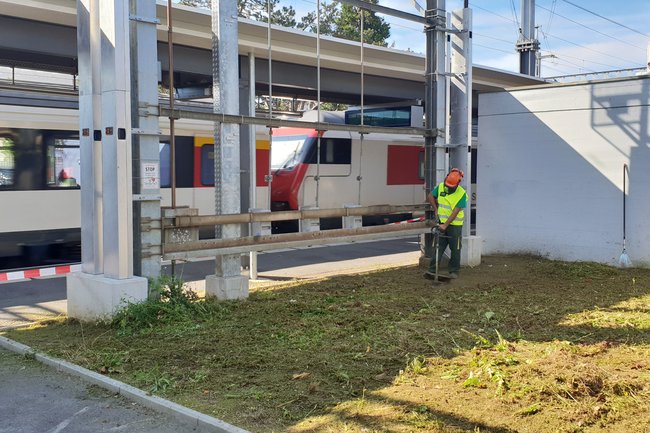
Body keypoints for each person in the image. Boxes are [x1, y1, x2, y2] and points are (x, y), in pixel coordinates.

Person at [427, 168, 467, 279]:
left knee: (455, 248)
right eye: (448, 185)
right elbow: (430, 196)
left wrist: (445, 225)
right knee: (438, 247)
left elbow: (456, 211)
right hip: (442, 223)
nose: (449, 187)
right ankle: (432, 270)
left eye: (451, 186)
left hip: (455, 226)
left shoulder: (462, 194)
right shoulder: (441, 187)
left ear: (458, 183)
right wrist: (435, 209)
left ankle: (454, 271)